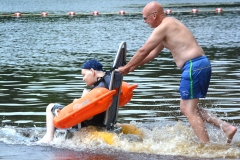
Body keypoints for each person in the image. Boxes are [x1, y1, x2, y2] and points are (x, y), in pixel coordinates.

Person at [118, 1, 237, 144]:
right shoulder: (170, 23)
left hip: (194, 66)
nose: (145, 21)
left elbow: (143, 50)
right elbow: (152, 53)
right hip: (199, 65)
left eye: (145, 18)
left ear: (154, 15)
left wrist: (126, 67)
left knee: (188, 109)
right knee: (187, 107)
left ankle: (207, 146)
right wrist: (132, 66)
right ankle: (225, 127)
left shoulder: (163, 27)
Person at [37, 59, 111, 143]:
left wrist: (79, 100)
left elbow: (89, 116)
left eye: (84, 75)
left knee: (50, 107)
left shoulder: (99, 89)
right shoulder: (110, 82)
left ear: (92, 71)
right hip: (103, 121)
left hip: (88, 123)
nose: (83, 79)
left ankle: (48, 137)